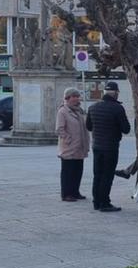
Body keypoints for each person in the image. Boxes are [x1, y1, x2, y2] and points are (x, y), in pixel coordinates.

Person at [86, 81, 131, 212]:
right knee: (107, 175)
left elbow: (88, 126)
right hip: (110, 147)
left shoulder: (93, 107)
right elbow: (126, 129)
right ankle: (105, 202)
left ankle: (96, 202)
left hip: (97, 146)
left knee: (97, 174)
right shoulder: (117, 108)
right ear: (116, 93)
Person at [56, 88, 90, 202]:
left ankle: (75, 192)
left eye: (77, 96)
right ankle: (66, 194)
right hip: (69, 147)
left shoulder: (79, 110)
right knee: (68, 172)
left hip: (80, 146)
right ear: (67, 98)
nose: (76, 98)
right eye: (74, 96)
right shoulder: (63, 111)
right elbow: (59, 129)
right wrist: (68, 139)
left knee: (77, 170)